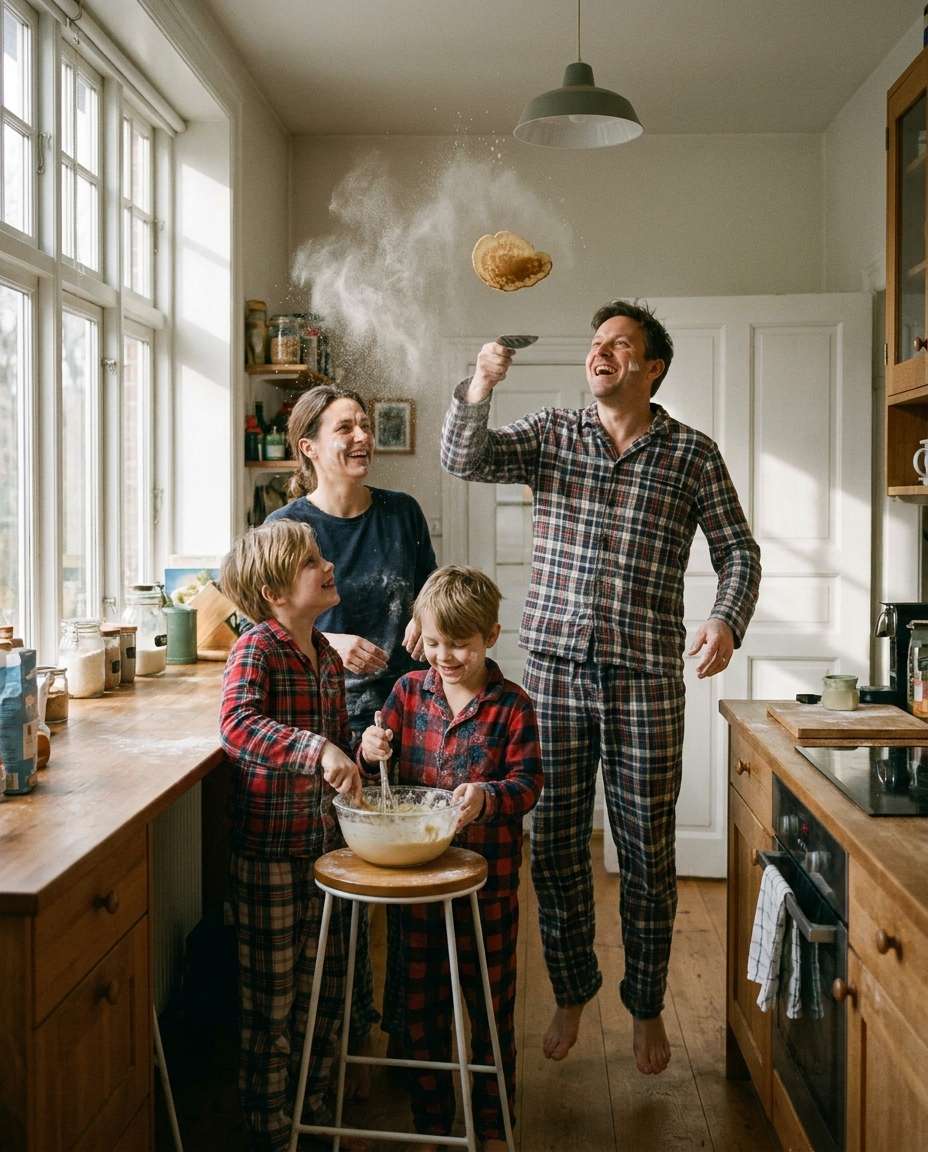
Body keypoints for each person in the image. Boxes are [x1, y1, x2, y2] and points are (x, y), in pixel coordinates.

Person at [440, 300, 761, 1077]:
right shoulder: (553, 434)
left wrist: (725, 619)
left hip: (646, 678)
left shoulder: (692, 455)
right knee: (554, 844)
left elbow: (739, 554)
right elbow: (464, 459)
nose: (601, 352)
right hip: (553, 672)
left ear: (652, 368)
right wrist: (480, 384)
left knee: (647, 852)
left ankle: (646, 1005)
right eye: (596, 343)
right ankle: (572, 990)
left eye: (620, 344)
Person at [264, 383, 437, 1070]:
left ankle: (406, 1034)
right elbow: (252, 618)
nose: (362, 437)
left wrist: (426, 618)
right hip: (327, 726)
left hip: (407, 720)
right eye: (345, 428)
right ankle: (350, 1040)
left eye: (365, 424)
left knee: (412, 884)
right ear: (309, 447)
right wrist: (328, 641)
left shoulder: (401, 513)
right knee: (347, 894)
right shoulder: (286, 526)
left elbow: (427, 592)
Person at [360, 565, 542, 1152]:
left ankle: (492, 1127)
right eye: (434, 643)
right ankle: (433, 1127)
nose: (445, 656)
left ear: (491, 636)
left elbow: (528, 785)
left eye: (460, 644)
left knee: (488, 1009)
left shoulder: (513, 706)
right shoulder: (407, 692)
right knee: (421, 1013)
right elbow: (378, 768)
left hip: (488, 887)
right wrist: (369, 748)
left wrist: (486, 798)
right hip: (419, 881)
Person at [218, 519, 363, 1152]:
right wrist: (318, 749)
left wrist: (358, 752)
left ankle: (316, 1121)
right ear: (275, 593)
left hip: (324, 854)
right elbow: (237, 725)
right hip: (270, 859)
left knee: (324, 1001)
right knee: (271, 1010)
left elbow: (339, 745)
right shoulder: (257, 648)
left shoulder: (324, 653)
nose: (327, 565)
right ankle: (272, 1134)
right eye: (310, 562)